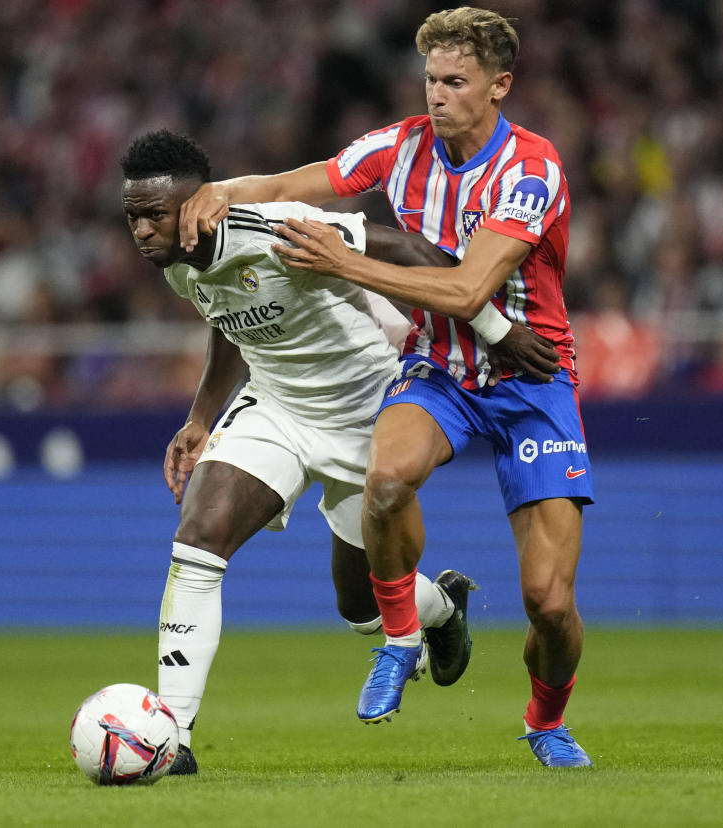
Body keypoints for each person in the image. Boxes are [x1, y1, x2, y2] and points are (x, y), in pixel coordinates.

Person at [177, 7, 595, 767]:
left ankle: (545, 720)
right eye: (431, 78)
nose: (437, 95)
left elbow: (468, 291)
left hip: (532, 379)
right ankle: (401, 640)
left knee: (551, 603)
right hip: (440, 370)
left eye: (456, 81)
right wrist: (217, 192)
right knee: (385, 478)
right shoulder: (398, 147)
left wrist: (343, 260)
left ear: (500, 86)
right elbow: (288, 182)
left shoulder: (532, 170)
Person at [119, 128, 561, 775]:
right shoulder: (177, 261)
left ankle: (439, 610)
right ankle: (171, 738)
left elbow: (410, 249)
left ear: (197, 204)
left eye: (155, 215)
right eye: (132, 217)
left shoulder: (282, 229)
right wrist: (201, 418)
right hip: (276, 406)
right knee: (199, 535)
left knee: (361, 609)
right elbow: (226, 317)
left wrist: (494, 329)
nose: (141, 231)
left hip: (364, 412)